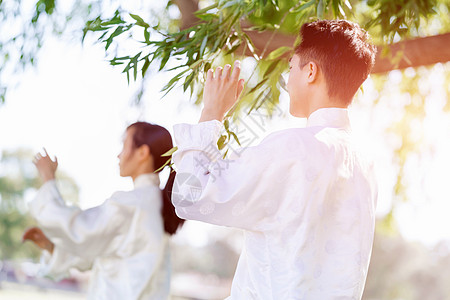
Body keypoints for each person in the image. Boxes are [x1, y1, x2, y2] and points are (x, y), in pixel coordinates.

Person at [170, 19, 378, 299]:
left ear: (311, 72)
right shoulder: (366, 165)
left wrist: (212, 114)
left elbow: (189, 196)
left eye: (291, 67)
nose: (288, 81)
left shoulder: (293, 148)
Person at [24, 122, 184, 300]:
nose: (118, 155)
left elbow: (79, 231)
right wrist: (52, 246)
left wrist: (48, 179)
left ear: (142, 153)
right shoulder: (158, 204)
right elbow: (103, 256)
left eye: (124, 145)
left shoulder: (132, 204)